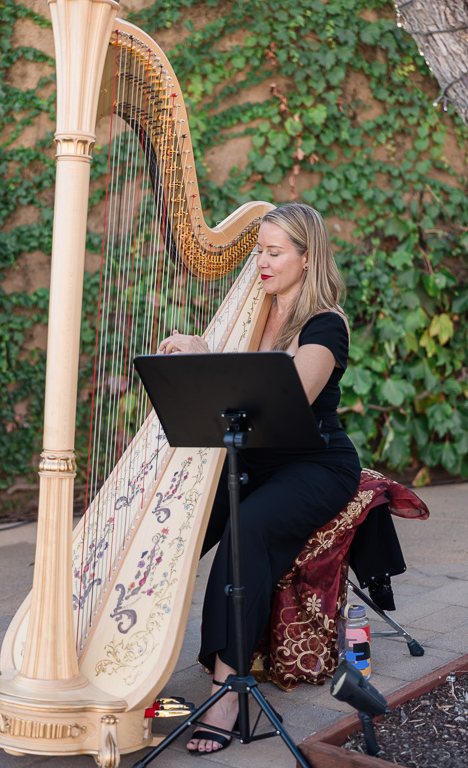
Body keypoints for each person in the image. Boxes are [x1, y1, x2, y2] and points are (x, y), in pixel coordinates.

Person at [157, 202, 361, 755]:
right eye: (257, 251)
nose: (261, 262)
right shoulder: (253, 309)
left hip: (313, 462)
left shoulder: (325, 323)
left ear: (306, 255)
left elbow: (286, 403)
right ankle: (128, 658)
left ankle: (228, 693)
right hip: (249, 460)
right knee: (174, 531)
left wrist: (208, 356)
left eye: (274, 252)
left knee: (246, 531)